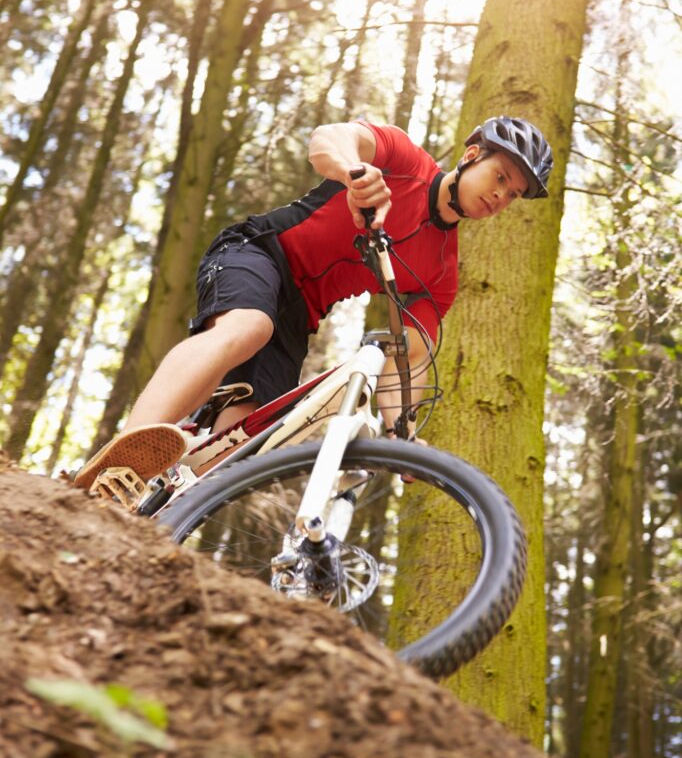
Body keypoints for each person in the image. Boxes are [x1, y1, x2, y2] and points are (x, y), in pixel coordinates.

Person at [74, 115, 553, 490]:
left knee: (236, 443)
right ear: (472, 155)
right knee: (247, 328)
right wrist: (356, 174)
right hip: (259, 251)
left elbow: (408, 361)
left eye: (512, 194)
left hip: (299, 314)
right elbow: (329, 138)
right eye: (500, 175)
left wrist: (401, 435)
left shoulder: (442, 271)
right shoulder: (405, 160)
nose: (500, 195)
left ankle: (149, 512)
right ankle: (116, 460)